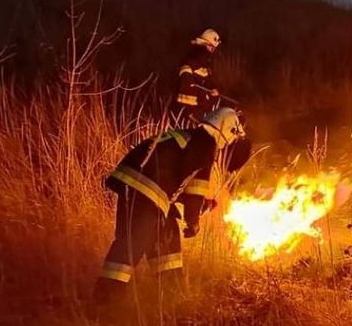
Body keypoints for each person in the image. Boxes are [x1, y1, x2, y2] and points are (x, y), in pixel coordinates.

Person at [92, 107, 247, 307]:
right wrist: (193, 222)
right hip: (146, 193)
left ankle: (170, 297)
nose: (231, 143)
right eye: (233, 137)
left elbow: (174, 180)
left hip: (141, 189)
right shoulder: (206, 145)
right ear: (228, 130)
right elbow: (195, 189)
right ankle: (103, 304)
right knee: (131, 246)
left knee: (168, 235)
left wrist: (202, 205)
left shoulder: (189, 137)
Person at [172, 28, 222, 124]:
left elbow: (206, 81)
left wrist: (212, 90)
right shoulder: (191, 62)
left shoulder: (204, 62)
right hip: (190, 117)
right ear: (206, 45)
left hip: (201, 112)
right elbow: (186, 91)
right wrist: (192, 116)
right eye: (212, 47)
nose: (213, 51)